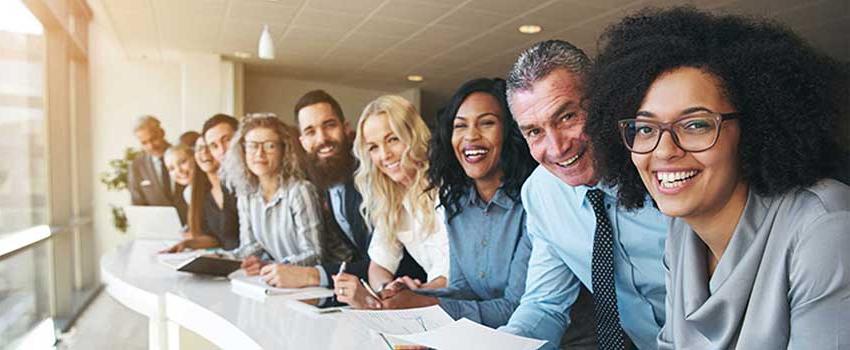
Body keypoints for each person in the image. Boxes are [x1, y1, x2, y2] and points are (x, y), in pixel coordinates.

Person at [584, 8, 850, 349]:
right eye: (645, 128)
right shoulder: (682, 231)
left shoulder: (826, 229)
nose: (664, 151)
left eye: (696, 124)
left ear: (755, 129)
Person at [498, 40, 668, 350]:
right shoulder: (541, 193)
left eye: (567, 117)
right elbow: (545, 305)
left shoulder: (665, 166)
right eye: (534, 131)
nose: (557, 147)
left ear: (603, 101)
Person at [368, 78, 536, 328]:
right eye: (460, 126)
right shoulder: (458, 204)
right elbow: (461, 288)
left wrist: (427, 304)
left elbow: (516, 308)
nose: (471, 136)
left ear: (510, 131)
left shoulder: (531, 203)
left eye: (487, 123)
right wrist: (402, 296)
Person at [260, 90, 425, 288]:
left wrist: (312, 275)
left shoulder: (377, 177)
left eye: (329, 126)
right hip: (379, 289)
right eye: (311, 132)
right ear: (303, 141)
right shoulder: (323, 180)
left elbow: (396, 262)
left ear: (346, 128)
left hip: (418, 288)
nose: (322, 139)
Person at [334, 95, 449, 309]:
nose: (384, 155)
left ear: (413, 135)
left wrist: (417, 291)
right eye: (374, 147)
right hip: (432, 305)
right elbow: (378, 266)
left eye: (392, 139)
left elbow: (456, 273)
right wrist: (386, 288)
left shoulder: (448, 187)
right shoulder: (392, 198)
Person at [221, 115, 327, 273]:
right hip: (278, 279)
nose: (259, 153)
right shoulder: (246, 194)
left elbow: (315, 254)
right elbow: (251, 248)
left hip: (311, 282)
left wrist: (273, 266)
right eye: (252, 146)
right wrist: (220, 258)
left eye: (270, 146)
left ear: (284, 150)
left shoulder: (300, 191)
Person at [160, 126, 240, 253]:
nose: (204, 154)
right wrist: (186, 244)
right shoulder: (201, 193)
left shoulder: (235, 185)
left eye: (209, 148)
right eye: (199, 149)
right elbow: (215, 237)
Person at [128, 115, 187, 224]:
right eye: (144, 143)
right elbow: (138, 205)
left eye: (153, 139)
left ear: (162, 133)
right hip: (158, 229)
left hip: (191, 227)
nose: (150, 146)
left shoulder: (184, 154)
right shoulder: (137, 166)